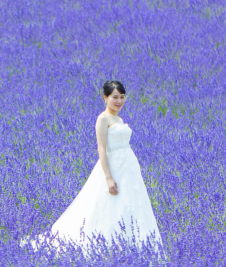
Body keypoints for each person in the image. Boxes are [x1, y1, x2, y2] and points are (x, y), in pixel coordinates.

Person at [36, 80, 162, 251]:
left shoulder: (118, 118)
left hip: (128, 168)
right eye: (115, 97)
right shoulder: (102, 119)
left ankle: (132, 243)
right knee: (109, 203)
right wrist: (108, 177)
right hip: (113, 167)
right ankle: (106, 244)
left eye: (122, 97)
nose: (119, 101)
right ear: (105, 98)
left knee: (130, 203)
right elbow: (102, 150)